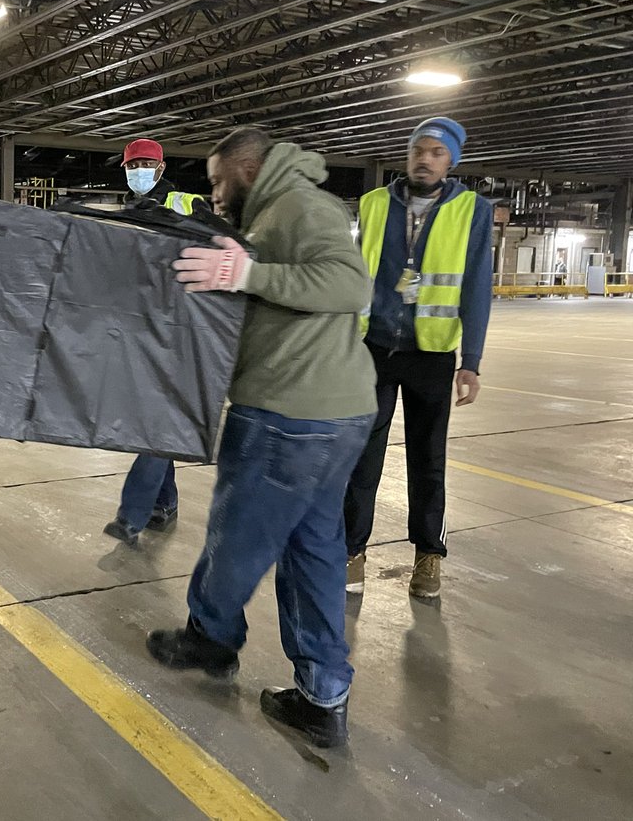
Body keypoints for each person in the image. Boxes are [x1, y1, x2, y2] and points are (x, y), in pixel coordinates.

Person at [146, 127, 377, 749]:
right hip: (329, 412)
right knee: (313, 550)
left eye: (219, 182)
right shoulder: (279, 210)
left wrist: (246, 274)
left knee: (239, 534)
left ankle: (211, 640)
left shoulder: (299, 206)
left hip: (289, 413)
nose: (215, 195)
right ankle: (322, 696)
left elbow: (350, 285)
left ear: (247, 170)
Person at [343, 117, 494, 600]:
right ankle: (351, 551)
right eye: (418, 151)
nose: (424, 159)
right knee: (361, 456)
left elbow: (475, 286)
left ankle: (428, 556)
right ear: (407, 156)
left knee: (428, 460)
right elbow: (351, 276)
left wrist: (471, 359)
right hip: (373, 348)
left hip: (432, 353)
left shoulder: (473, 210)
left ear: (451, 161)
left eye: (435, 152)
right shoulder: (372, 205)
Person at [104, 138, 210, 546]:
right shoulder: (129, 214)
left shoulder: (188, 204)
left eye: (148, 164)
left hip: (181, 330)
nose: (140, 171)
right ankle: (164, 503)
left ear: (162, 168)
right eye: (134, 166)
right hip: (141, 329)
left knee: (158, 421)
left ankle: (132, 513)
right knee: (149, 421)